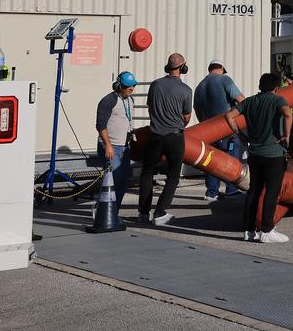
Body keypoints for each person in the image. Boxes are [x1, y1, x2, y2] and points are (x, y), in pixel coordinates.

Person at [224, 72, 292, 244]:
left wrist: (240, 135)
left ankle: (249, 229)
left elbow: (229, 116)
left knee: (253, 191)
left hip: (254, 153)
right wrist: (287, 136)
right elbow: (288, 114)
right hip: (273, 154)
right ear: (277, 88)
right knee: (271, 192)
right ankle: (267, 229)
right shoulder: (278, 100)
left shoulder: (249, 101)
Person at [138, 53, 193, 225]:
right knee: (173, 176)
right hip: (174, 137)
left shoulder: (155, 85)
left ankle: (143, 213)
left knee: (147, 173)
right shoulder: (186, 90)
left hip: (154, 135)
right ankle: (160, 212)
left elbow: (150, 108)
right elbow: (187, 116)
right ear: (183, 67)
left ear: (168, 66)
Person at [193, 59, 244, 200]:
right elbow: (240, 100)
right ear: (221, 68)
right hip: (226, 129)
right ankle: (231, 190)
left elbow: (196, 110)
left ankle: (211, 192)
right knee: (231, 159)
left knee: (210, 161)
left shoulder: (199, 86)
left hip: (208, 131)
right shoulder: (224, 80)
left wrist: (204, 125)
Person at [96, 71, 138, 209]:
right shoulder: (109, 100)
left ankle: (114, 210)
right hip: (111, 146)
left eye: (133, 85)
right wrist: (108, 145)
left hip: (124, 146)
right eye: (128, 86)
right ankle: (103, 209)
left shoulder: (129, 100)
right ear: (118, 85)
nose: (131, 88)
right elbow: (100, 125)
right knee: (114, 179)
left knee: (123, 180)